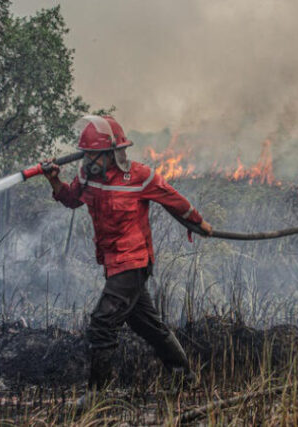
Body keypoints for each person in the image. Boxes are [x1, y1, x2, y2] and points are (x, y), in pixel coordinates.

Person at [43, 115, 213, 399]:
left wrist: (198, 223)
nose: (89, 161)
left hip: (134, 262)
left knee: (102, 322)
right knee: (146, 324)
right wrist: (55, 180)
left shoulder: (140, 176)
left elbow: (174, 200)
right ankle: (185, 378)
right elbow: (71, 199)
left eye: (94, 155)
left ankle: (97, 397)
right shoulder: (86, 177)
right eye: (87, 155)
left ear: (113, 153)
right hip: (112, 262)